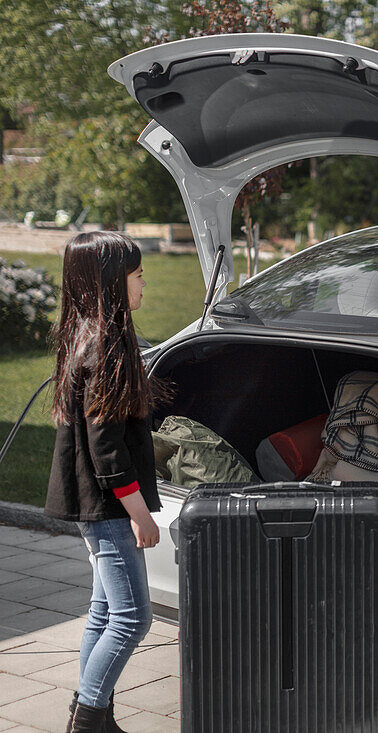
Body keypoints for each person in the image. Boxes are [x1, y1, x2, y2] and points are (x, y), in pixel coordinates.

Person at [45, 231, 166, 733]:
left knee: (103, 610)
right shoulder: (107, 346)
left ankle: (95, 713)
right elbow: (108, 450)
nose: (144, 286)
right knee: (133, 617)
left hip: (93, 502)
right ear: (112, 282)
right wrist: (139, 514)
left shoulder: (89, 334)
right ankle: (88, 720)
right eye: (138, 276)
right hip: (109, 506)